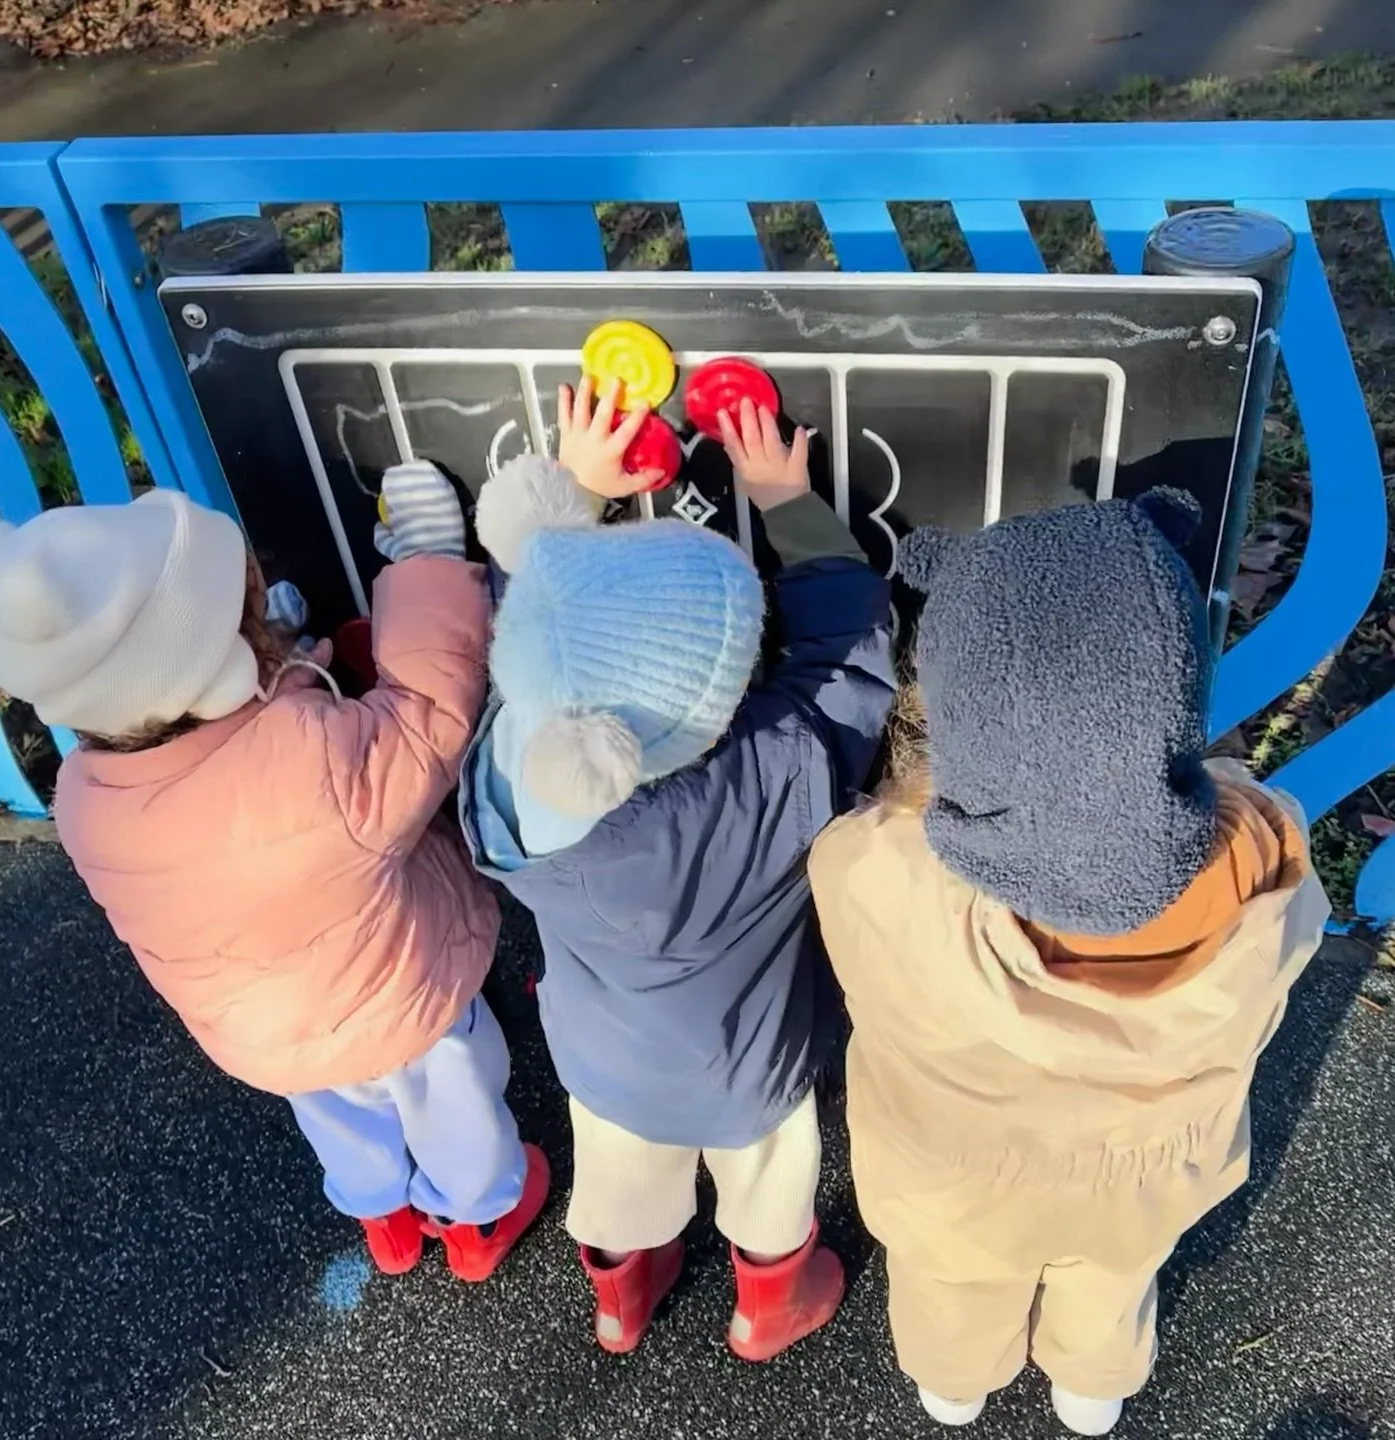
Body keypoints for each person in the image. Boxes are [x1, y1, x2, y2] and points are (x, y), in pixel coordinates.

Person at [809, 489, 1330, 1435]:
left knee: (953, 1287)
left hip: (954, 1187)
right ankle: (1094, 1388)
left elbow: (850, 892)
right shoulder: (1271, 864)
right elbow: (1245, 810)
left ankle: (954, 1384)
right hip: (1146, 1182)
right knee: (1115, 1279)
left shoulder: (880, 874)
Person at [0, 462, 548, 1280]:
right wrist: (423, 566)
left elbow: (209, 745)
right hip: (403, 1004)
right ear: (220, 657)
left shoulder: (86, 798)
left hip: (268, 1039)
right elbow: (427, 709)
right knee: (453, 1099)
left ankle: (384, 1218)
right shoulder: (313, 764)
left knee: (340, 1118)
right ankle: (477, 1215)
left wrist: (275, 664)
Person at [459, 381, 896, 1358]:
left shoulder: (508, 777)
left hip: (604, 1063)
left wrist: (570, 489)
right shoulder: (771, 776)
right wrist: (790, 504)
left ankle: (622, 1296)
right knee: (771, 1183)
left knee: (616, 1182)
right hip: (749, 1068)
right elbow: (849, 658)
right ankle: (767, 1303)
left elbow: (536, 638)